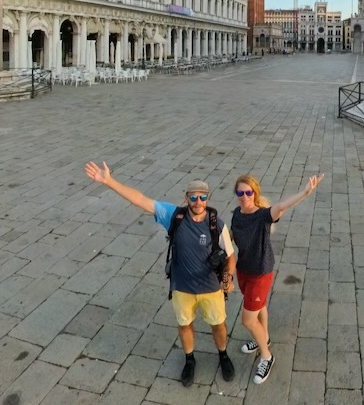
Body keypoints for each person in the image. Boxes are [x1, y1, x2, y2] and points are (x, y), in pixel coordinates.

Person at [84, 161, 236, 387]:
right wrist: (108, 181)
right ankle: (189, 359)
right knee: (184, 325)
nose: (198, 202)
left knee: (219, 325)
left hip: (210, 286)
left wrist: (228, 277)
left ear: (208, 198)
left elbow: (230, 255)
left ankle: (223, 355)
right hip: (182, 287)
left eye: (202, 197)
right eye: (193, 197)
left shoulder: (216, 223)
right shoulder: (174, 216)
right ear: (186, 198)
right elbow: (141, 200)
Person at [230, 172, 324, 385]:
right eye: (240, 192)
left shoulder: (262, 215)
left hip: (260, 272)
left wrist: (305, 192)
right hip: (244, 269)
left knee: (247, 319)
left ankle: (267, 356)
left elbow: (282, 206)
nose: (244, 196)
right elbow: (231, 237)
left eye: (248, 192)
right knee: (259, 306)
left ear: (255, 193)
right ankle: (265, 337)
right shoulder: (237, 213)